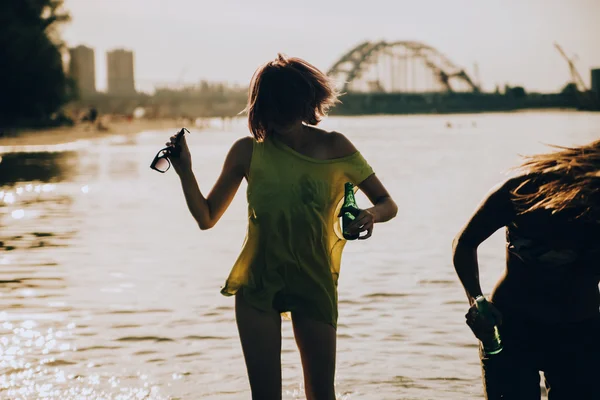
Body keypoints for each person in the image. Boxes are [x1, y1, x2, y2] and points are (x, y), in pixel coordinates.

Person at [165, 54, 398, 400]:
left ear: (307, 104)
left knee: (322, 393)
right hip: (257, 282)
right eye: (273, 108)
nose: (282, 117)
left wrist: (370, 215)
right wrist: (185, 171)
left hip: (314, 280)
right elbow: (206, 217)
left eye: (289, 107)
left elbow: (387, 204)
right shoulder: (247, 152)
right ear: (262, 108)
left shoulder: (335, 147)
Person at [452, 139, 600, 400]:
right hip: (511, 327)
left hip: (580, 331)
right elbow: (464, 242)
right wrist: (476, 301)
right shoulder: (524, 190)